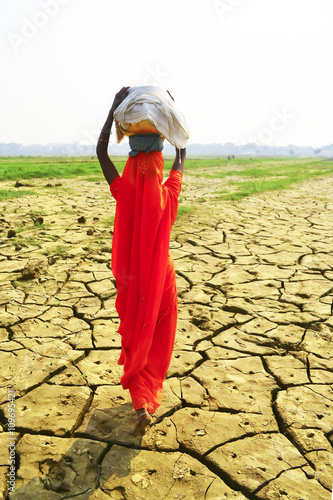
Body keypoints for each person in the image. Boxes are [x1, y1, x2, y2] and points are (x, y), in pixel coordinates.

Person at [96, 87, 186, 435]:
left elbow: (101, 151)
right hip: (160, 277)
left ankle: (140, 400)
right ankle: (146, 400)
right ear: (160, 160)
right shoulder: (169, 193)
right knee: (158, 335)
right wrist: (173, 116)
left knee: (137, 332)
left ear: (131, 161)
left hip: (130, 277)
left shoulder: (123, 189)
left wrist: (112, 108)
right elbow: (181, 153)